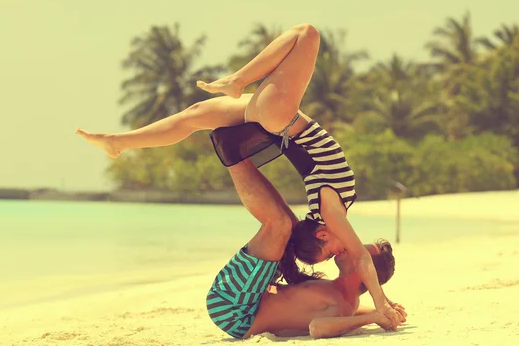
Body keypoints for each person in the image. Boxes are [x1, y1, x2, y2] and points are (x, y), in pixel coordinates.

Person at [76, 23, 403, 326]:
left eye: (333, 251)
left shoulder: (331, 213)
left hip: (282, 120)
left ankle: (237, 80)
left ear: (320, 235)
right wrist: (378, 304)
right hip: (280, 125)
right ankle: (118, 142)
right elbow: (359, 257)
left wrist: (381, 302)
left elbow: (360, 256)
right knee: (193, 116)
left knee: (307, 34)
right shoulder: (326, 213)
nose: (345, 246)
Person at [205, 159, 404, 339]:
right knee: (293, 227)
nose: (353, 248)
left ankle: (232, 159)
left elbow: (318, 327)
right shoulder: (345, 298)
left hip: (237, 311)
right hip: (248, 297)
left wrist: (374, 318)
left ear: (364, 273)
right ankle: (243, 161)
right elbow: (360, 310)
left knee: (280, 225)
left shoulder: (342, 304)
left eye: (362, 255)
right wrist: (386, 307)